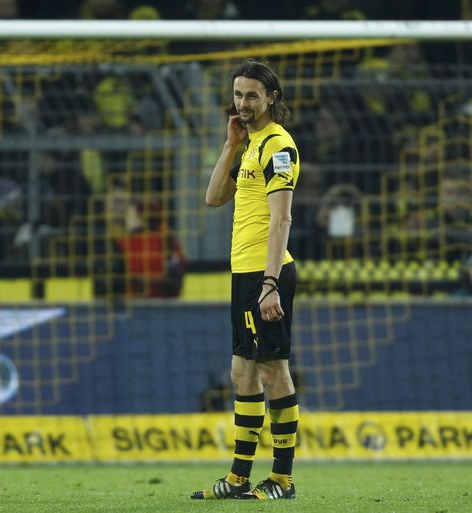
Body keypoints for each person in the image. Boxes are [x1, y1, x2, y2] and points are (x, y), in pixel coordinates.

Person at [190, 59, 299, 501]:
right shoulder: (251, 145)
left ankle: (283, 480)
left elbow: (282, 218)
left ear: (271, 97)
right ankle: (237, 479)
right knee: (241, 374)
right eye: (238, 95)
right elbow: (214, 197)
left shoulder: (278, 146)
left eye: (252, 95)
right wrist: (230, 146)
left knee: (273, 373)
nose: (243, 103)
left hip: (266, 273)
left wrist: (270, 283)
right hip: (244, 273)